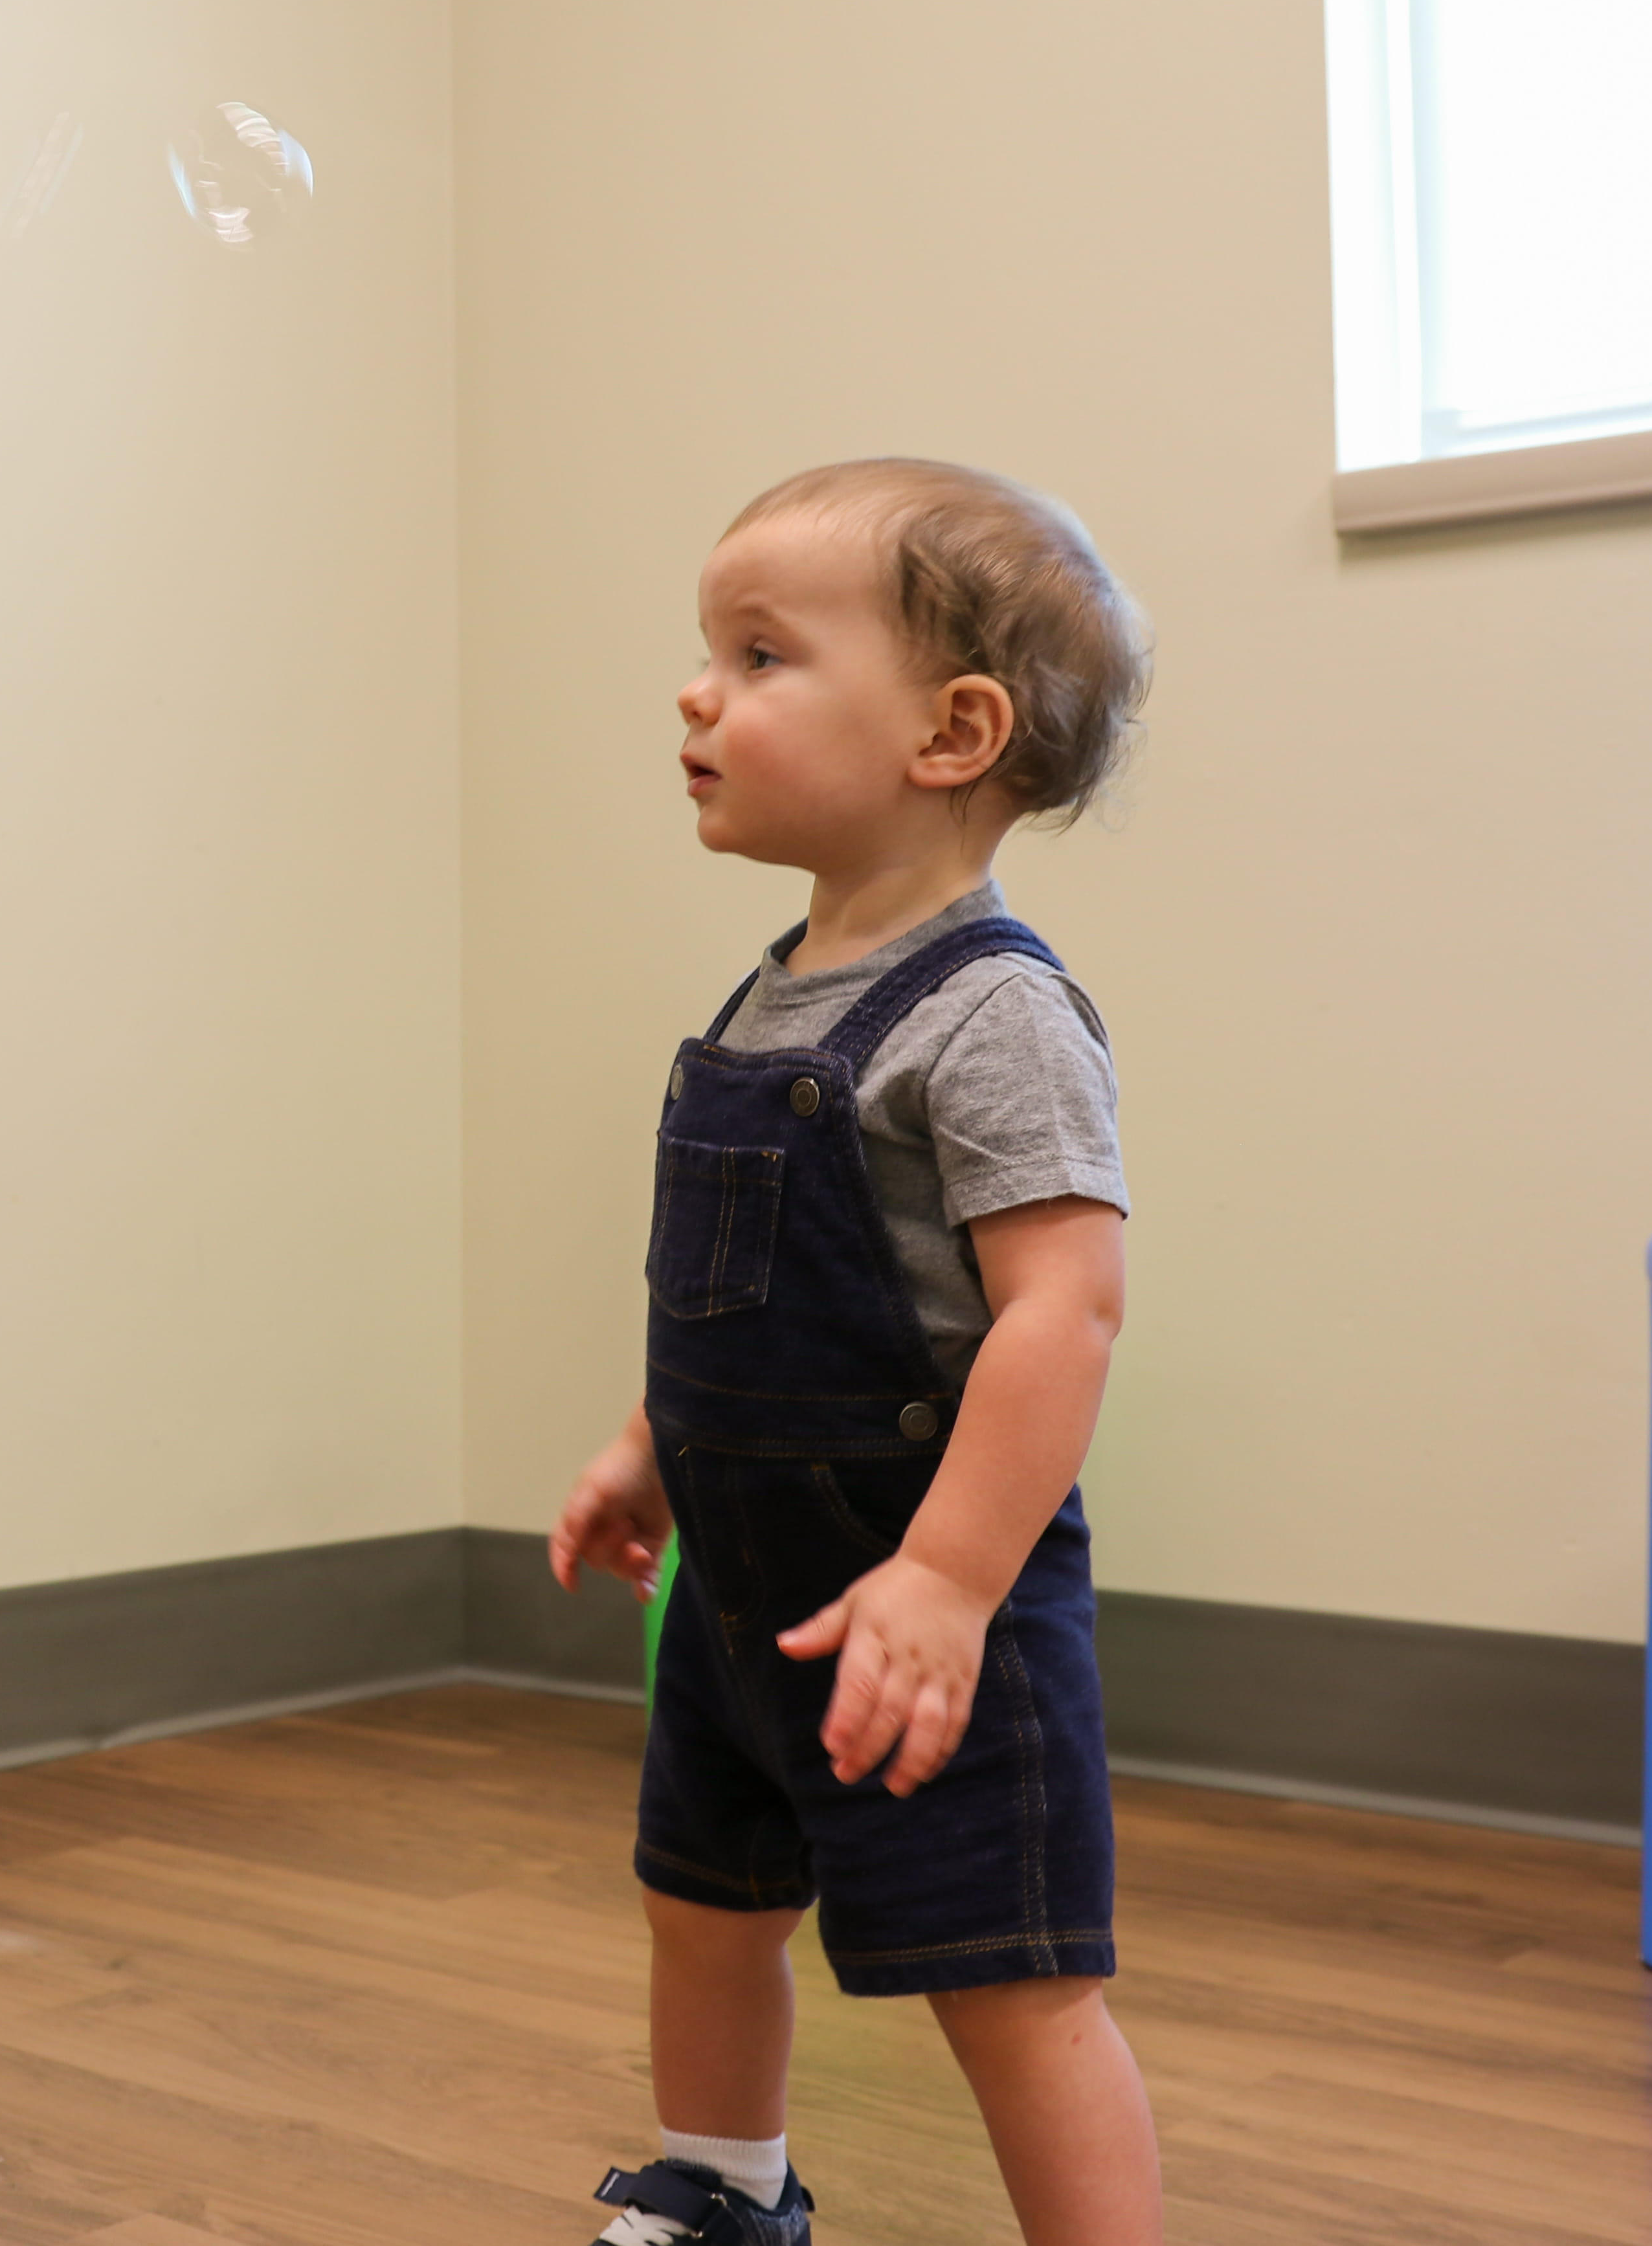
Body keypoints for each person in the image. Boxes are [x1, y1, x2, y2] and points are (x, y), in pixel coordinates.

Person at [548, 461, 1161, 2246]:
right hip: (748, 1600)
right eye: (705, 653)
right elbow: (742, 1284)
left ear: (953, 732)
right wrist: (653, 1441)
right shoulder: (772, 985)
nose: (696, 693)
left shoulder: (996, 1013)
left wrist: (955, 1580)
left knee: (1009, 1977)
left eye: (758, 654)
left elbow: (1066, 1310)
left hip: (925, 1609)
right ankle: (724, 2192)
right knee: (705, 1904)